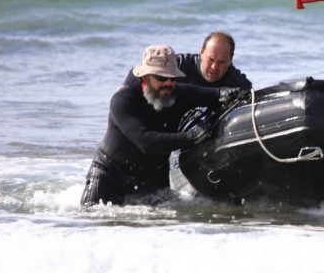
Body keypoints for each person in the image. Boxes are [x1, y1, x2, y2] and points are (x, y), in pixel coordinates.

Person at [81, 44, 235, 207]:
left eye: (173, 78)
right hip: (111, 176)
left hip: (153, 178)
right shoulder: (123, 101)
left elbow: (217, 94)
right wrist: (192, 136)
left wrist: (229, 94)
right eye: (161, 78)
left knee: (163, 226)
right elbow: (145, 141)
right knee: (92, 219)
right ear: (146, 77)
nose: (168, 83)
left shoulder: (179, 93)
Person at [123, 31, 252, 90]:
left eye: (222, 62)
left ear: (230, 59)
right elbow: (137, 75)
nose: (214, 67)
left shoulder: (237, 82)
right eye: (211, 59)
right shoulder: (178, 66)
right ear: (201, 52)